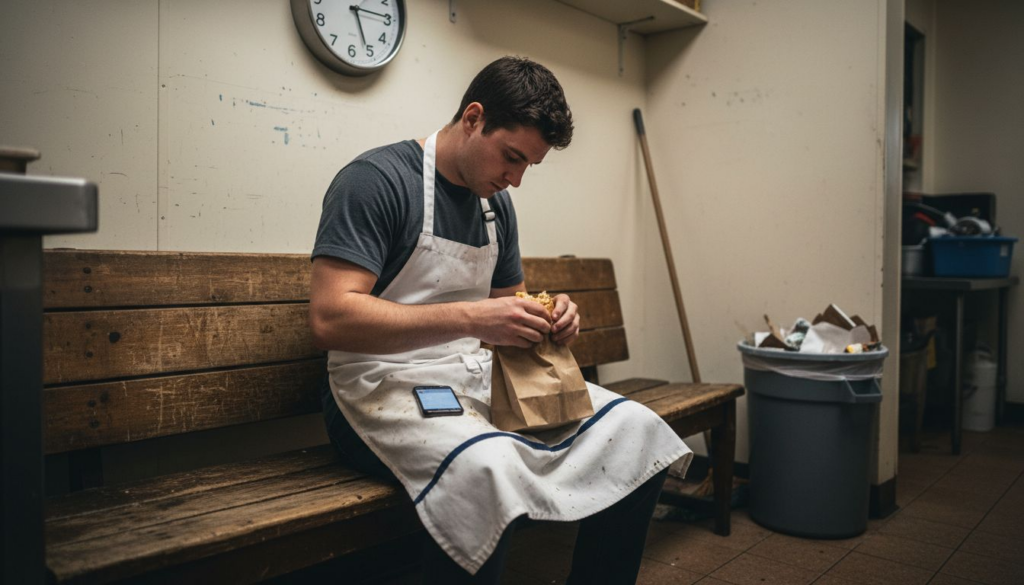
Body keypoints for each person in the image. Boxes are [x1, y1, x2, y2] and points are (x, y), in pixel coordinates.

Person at [310, 56, 691, 584]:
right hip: (374, 386)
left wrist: (547, 318)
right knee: (487, 468)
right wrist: (474, 318)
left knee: (636, 431)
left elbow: (509, 309)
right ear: (473, 118)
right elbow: (332, 318)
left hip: (468, 375)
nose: (515, 179)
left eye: (528, 166)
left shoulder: (496, 206)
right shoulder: (375, 182)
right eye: (511, 157)